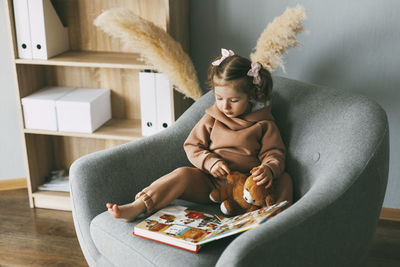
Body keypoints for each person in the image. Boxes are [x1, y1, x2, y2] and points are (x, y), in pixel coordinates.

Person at [106, 48, 293, 221]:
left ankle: (271, 222)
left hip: (248, 190)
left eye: (234, 100)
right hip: (211, 184)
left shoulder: (263, 123)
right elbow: (192, 145)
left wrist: (268, 169)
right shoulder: (212, 118)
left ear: (251, 95)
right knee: (183, 174)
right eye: (219, 98)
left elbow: (274, 153)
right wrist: (210, 162)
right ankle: (139, 205)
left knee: (285, 179)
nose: (225, 106)